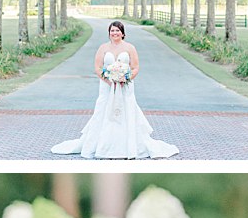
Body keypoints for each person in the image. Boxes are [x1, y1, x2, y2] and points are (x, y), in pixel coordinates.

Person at [51, 20, 179, 160]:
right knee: (104, 110)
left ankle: (129, 148)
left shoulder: (130, 48)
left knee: (126, 110)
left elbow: (135, 67)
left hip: (126, 86)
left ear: (122, 33)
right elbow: (98, 68)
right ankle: (101, 146)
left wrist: (125, 78)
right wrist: (109, 80)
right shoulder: (103, 48)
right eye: (112, 31)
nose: (115, 33)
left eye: (117, 30)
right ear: (109, 33)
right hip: (107, 86)